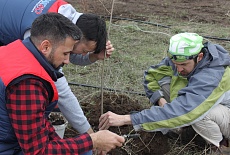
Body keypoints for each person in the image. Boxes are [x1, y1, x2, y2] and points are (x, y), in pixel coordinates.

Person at [0, 13, 124, 155]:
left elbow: (40, 123)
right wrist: (92, 140)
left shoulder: (16, 50)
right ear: (45, 46)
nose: (67, 61)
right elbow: (39, 151)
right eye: (65, 53)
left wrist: (85, 142)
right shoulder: (28, 83)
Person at [99, 32, 230, 154]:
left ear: (199, 57)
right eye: (175, 64)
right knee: (166, 82)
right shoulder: (181, 60)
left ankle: (221, 147)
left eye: (183, 64)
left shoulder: (213, 75)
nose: (178, 69)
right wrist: (160, 100)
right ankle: (183, 128)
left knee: (201, 115)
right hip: (204, 108)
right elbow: (151, 77)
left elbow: (185, 111)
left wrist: (127, 119)